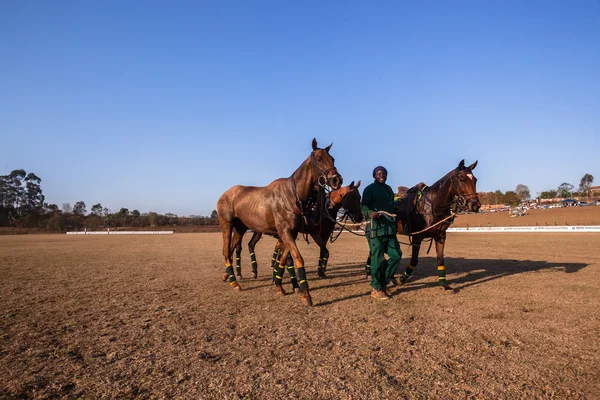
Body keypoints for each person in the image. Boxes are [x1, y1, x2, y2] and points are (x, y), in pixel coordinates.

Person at [361, 166, 402, 300]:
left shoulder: (389, 189)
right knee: (377, 260)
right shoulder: (369, 189)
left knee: (396, 255)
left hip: (389, 229)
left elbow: (391, 205)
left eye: (384, 173)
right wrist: (369, 213)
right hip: (375, 229)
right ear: (374, 176)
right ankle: (376, 288)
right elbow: (363, 206)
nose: (381, 175)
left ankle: (383, 281)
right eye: (379, 173)